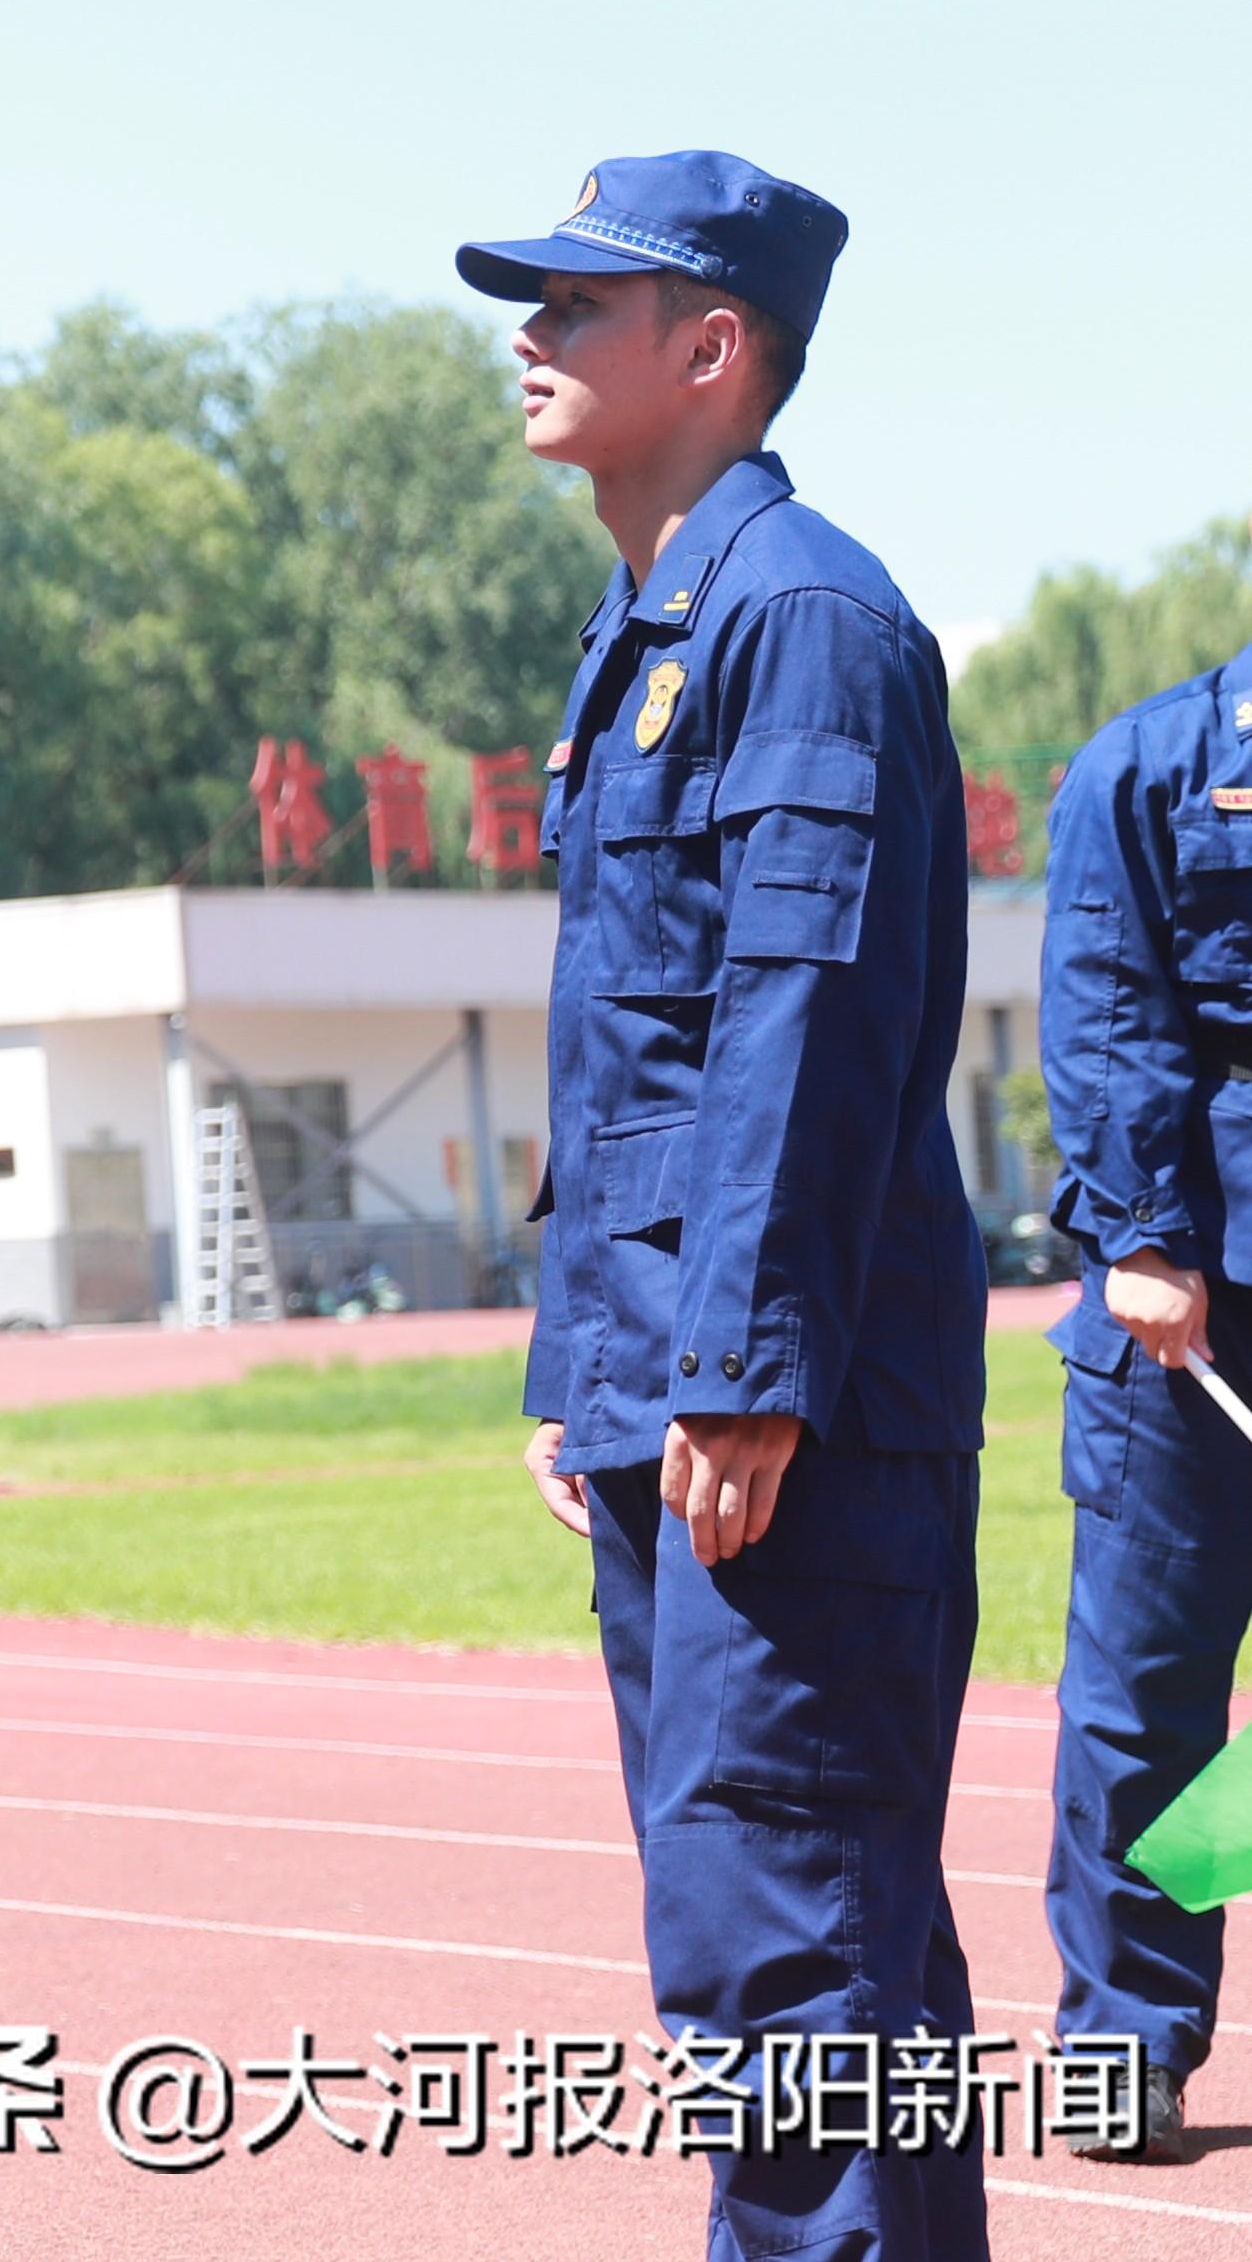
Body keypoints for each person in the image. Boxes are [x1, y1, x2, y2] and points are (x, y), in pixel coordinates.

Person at [479, 153, 996, 2254]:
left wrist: (742, 1371)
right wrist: (579, 1368)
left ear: (711, 350)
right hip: (670, 1385)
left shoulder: (800, 619)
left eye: (575, 306)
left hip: (787, 1411)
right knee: (765, 1931)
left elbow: (804, 1025)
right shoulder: (657, 622)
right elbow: (635, 1061)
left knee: (795, 1937)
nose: (525, 336)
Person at [1037, 646, 1252, 2148]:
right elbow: (1106, 997)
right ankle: (1128, 2039)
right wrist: (1144, 1231)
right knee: (1152, 1700)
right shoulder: (1153, 761)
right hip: (1191, 1312)